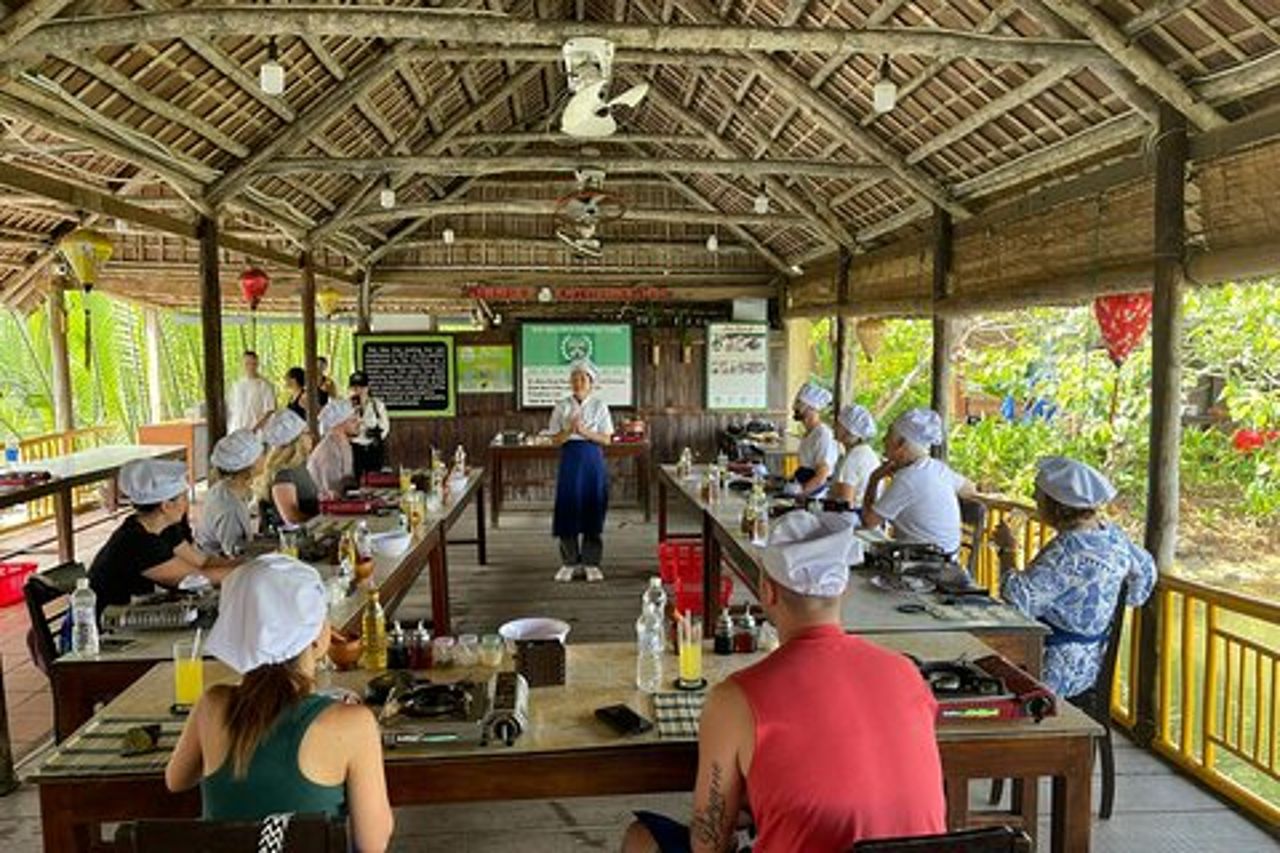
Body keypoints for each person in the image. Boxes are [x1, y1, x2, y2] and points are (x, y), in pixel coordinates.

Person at [623, 511, 946, 853]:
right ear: (844, 588)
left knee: (641, 837)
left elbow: (709, 843)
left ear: (768, 591)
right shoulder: (906, 673)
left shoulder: (735, 699)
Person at [165, 555, 394, 852]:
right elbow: (373, 843)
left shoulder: (212, 705)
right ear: (315, 638)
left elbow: (176, 780)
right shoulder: (353, 723)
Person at [997, 457, 1156, 698]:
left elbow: (1017, 601)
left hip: (1053, 668)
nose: (1035, 502)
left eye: (1038, 497)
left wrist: (1007, 550)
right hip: (1093, 660)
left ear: (1055, 505)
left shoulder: (1067, 549)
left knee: (975, 668)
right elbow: (1146, 572)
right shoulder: (1112, 536)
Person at [89, 459, 236, 615]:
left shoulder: (165, 527)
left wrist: (250, 563)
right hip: (105, 623)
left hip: (134, 610)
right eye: (183, 498)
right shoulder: (138, 541)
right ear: (166, 506)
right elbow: (196, 577)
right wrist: (250, 571)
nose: (187, 504)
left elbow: (203, 562)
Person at [861, 408, 977, 556]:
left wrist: (874, 479)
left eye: (888, 435)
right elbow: (970, 489)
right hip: (949, 559)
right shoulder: (937, 468)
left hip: (925, 566)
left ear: (900, 444)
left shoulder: (907, 478)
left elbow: (869, 522)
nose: (883, 440)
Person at [550, 359, 614, 583]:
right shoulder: (562, 406)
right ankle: (569, 562)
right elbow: (555, 440)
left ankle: (591, 563)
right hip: (570, 460)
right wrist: (569, 430)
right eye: (574, 378)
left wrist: (584, 431)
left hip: (592, 461)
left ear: (591, 383)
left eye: (583, 378)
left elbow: (606, 439)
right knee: (567, 507)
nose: (578, 382)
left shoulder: (599, 406)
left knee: (592, 507)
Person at [196, 430, 264, 558]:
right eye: (261, 454)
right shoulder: (230, 508)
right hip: (219, 568)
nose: (264, 456)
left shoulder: (225, 487)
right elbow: (234, 556)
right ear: (250, 466)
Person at [255, 409, 319, 528]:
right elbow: (292, 519)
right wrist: (322, 519)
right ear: (298, 440)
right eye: (306, 433)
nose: (311, 436)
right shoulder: (284, 475)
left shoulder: (301, 466)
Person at [789, 381, 838, 499]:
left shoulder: (822, 434)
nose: (795, 407)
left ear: (812, 408)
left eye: (800, 403)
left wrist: (800, 494)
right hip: (803, 486)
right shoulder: (809, 433)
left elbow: (821, 475)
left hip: (815, 496)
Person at [828, 403, 879, 508]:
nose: (833, 426)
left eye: (838, 424)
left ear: (849, 431)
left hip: (854, 520)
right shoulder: (866, 452)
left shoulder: (853, 458)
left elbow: (845, 504)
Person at [308, 398, 359, 499]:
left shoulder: (343, 444)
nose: (359, 422)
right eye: (353, 420)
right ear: (339, 424)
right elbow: (334, 493)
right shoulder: (329, 451)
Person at [348, 371, 390, 479]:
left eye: (361, 387)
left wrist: (374, 434)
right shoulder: (346, 406)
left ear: (367, 387)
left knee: (375, 478)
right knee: (355, 479)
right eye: (355, 387)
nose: (358, 390)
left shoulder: (377, 405)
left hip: (373, 448)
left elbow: (385, 427)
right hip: (354, 448)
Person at [226, 351, 277, 433]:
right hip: (237, 429)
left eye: (253, 363)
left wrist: (255, 429)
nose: (250, 366)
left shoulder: (265, 385)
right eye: (247, 363)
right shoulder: (236, 385)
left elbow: (270, 410)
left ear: (257, 364)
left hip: (257, 431)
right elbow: (232, 409)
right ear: (242, 365)